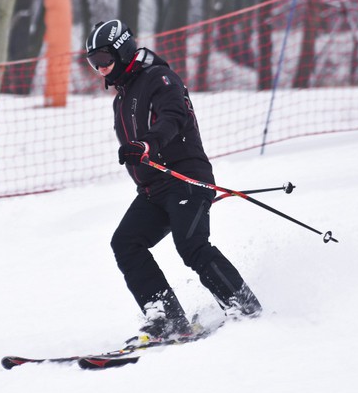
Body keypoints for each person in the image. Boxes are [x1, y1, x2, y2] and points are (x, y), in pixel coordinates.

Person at [85, 19, 262, 340]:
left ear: (123, 51)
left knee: (191, 246)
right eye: (93, 63)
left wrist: (148, 144)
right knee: (126, 243)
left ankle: (244, 306)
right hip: (153, 189)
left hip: (185, 179)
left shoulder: (160, 78)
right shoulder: (121, 97)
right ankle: (165, 316)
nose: (100, 69)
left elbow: (174, 117)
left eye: (103, 60)